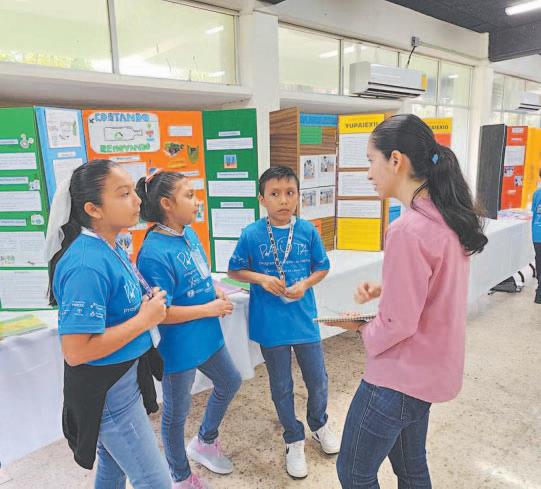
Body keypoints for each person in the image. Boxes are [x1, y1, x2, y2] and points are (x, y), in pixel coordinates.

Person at [333, 114, 488, 489]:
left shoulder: (407, 229)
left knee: (353, 472)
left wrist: (361, 328)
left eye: (371, 160)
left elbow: (399, 324)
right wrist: (387, 290)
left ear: (396, 160)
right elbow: (435, 292)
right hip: (427, 375)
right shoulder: (448, 217)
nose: (368, 173)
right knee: (412, 469)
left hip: (397, 378)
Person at [47, 160, 172, 489]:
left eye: (133, 191)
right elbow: (76, 351)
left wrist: (144, 305)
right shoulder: (86, 264)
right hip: (109, 390)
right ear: (93, 209)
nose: (138, 200)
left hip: (122, 378)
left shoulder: (108, 244)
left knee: (114, 469)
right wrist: (144, 319)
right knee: (156, 481)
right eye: (124, 193)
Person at [228, 165, 340, 479]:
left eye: (290, 193)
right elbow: (234, 270)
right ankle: (293, 437)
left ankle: (318, 423)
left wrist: (305, 284)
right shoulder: (251, 234)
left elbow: (322, 266)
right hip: (270, 324)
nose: (283, 200)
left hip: (304, 319)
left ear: (298, 196)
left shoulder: (307, 230)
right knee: (281, 385)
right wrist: (261, 279)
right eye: (275, 194)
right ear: (262, 198)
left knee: (318, 379)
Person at [136, 171, 241, 489]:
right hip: (179, 347)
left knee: (230, 380)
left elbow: (200, 275)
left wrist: (215, 291)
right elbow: (161, 314)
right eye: (189, 195)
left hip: (208, 335)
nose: (197, 202)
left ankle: (205, 441)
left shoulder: (187, 233)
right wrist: (209, 309)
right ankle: (180, 476)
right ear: (167, 204)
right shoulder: (153, 253)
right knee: (176, 412)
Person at [531, 168, 541, 303]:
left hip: (537, 233)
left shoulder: (536, 194)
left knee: (539, 260)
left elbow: (534, 211)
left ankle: (539, 293)